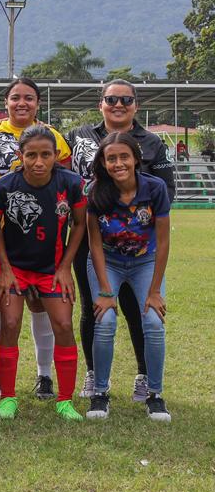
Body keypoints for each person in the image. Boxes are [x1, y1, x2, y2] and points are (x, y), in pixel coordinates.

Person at [67, 79, 174, 403]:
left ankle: (144, 375)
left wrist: (133, 219)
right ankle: (94, 374)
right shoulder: (78, 136)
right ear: (101, 103)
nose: (118, 104)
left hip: (137, 242)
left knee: (137, 307)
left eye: (126, 99)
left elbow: (166, 191)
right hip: (90, 237)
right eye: (111, 99)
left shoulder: (152, 143)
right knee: (95, 307)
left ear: (135, 105)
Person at [0, 77, 70, 401]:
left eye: (28, 97)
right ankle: (2, 377)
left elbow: (63, 183)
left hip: (42, 235)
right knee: (2, 301)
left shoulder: (53, 137)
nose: (21, 103)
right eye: (15, 97)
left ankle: (44, 375)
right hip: (0, 230)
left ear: (37, 103)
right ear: (6, 101)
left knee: (42, 303)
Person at [0, 126, 88, 421]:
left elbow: (79, 224)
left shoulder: (70, 183)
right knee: (10, 323)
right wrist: (4, 268)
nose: (39, 161)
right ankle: (7, 397)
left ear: (56, 155)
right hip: (15, 267)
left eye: (46, 154)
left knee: (63, 324)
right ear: (20, 156)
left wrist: (65, 266)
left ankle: (64, 400)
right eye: (31, 155)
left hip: (52, 268)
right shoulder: (5, 186)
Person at [84, 133, 172, 422]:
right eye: (111, 158)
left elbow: (163, 241)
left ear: (136, 159)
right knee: (105, 320)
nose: (118, 163)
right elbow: (94, 243)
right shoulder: (96, 191)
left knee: (153, 321)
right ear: (103, 162)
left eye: (124, 157)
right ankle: (100, 393)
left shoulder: (154, 188)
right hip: (108, 261)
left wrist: (155, 290)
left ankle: (155, 395)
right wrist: (106, 292)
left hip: (145, 261)